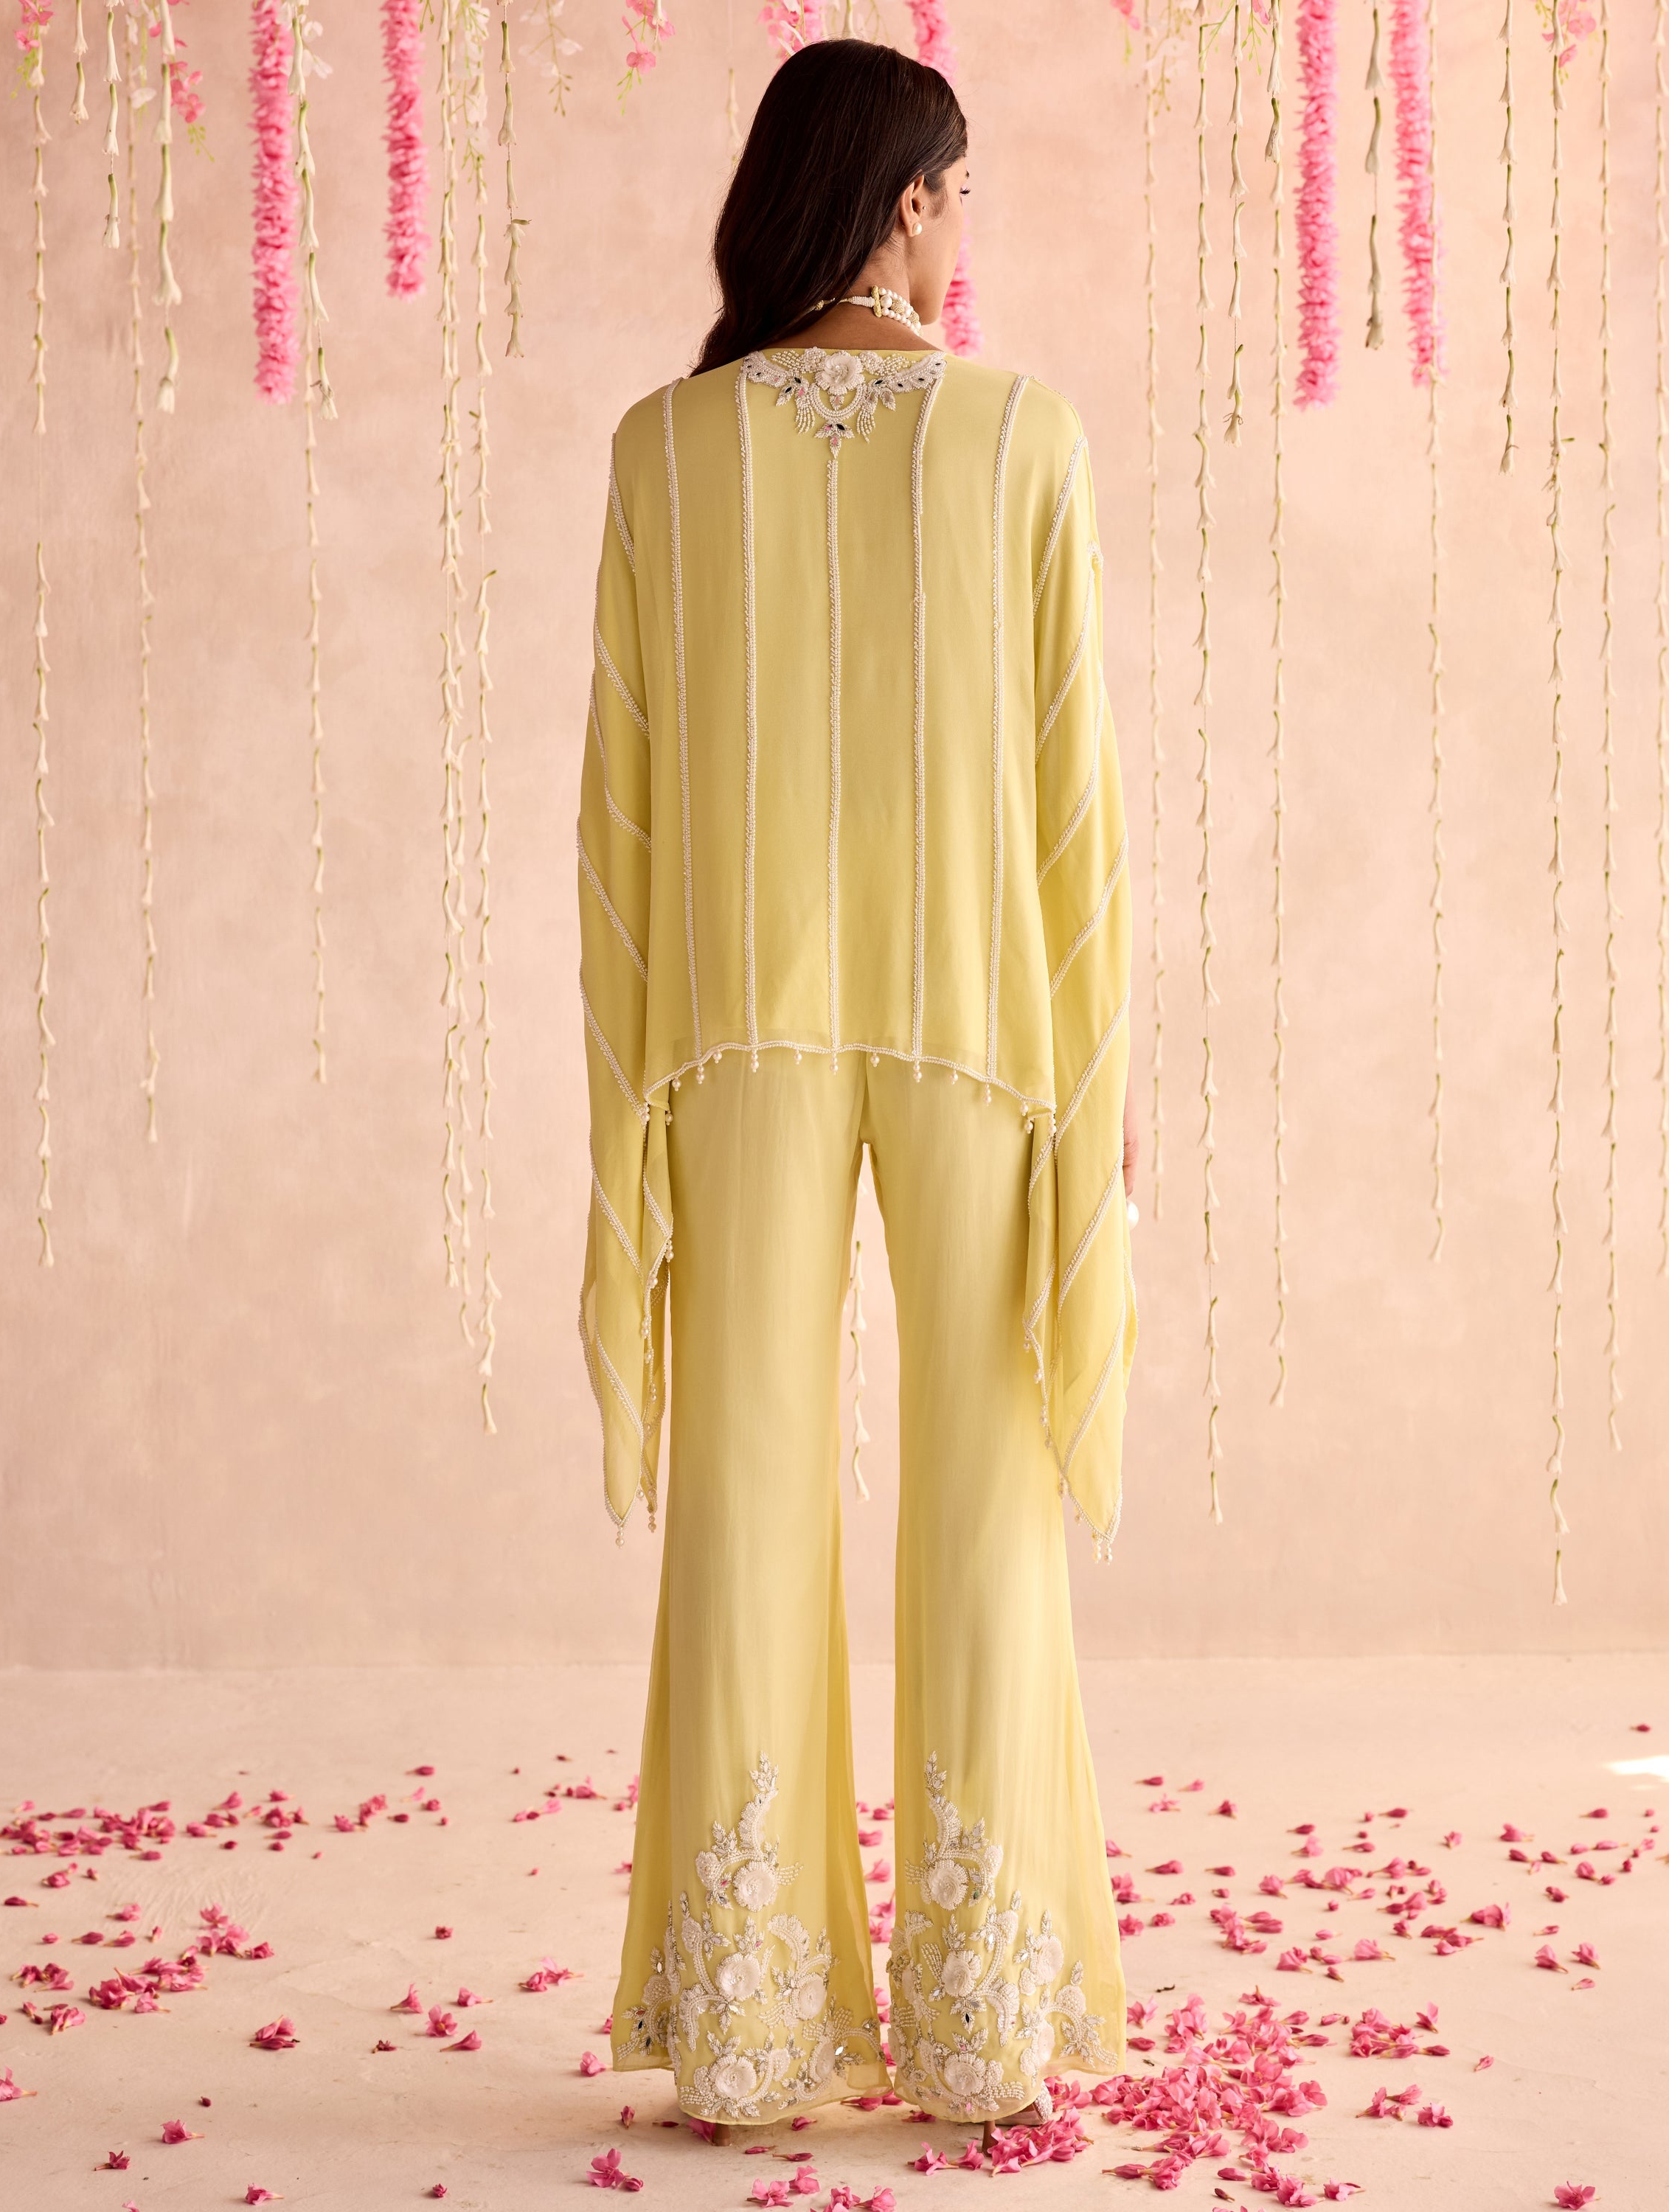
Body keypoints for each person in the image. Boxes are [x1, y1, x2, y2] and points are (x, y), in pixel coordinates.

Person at [577, 35, 1137, 2140]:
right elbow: (1077, 803)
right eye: (958, 195)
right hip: (984, 1019)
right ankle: (983, 2026)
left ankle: (747, 2030)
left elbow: (620, 815)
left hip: (735, 1023)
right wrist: (1096, 1059)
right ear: (906, 201)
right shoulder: (1019, 435)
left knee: (744, 1476)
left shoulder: (665, 451)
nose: (964, 234)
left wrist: (631, 1085)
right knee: (990, 1481)